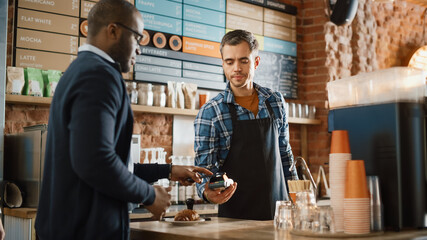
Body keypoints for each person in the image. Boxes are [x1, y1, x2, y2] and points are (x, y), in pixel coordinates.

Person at [35, 1, 211, 239]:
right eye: (137, 38)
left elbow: (110, 160)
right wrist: (149, 195)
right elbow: (95, 162)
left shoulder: (79, 70)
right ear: (113, 30)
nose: (139, 49)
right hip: (86, 230)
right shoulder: (99, 76)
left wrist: (168, 170)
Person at [194, 29, 298, 220]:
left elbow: (285, 153)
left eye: (244, 60)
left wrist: (298, 195)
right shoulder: (210, 112)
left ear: (256, 62)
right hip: (236, 216)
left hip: (280, 213)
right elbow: (204, 168)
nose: (236, 68)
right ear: (223, 64)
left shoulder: (275, 101)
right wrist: (207, 192)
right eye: (229, 61)